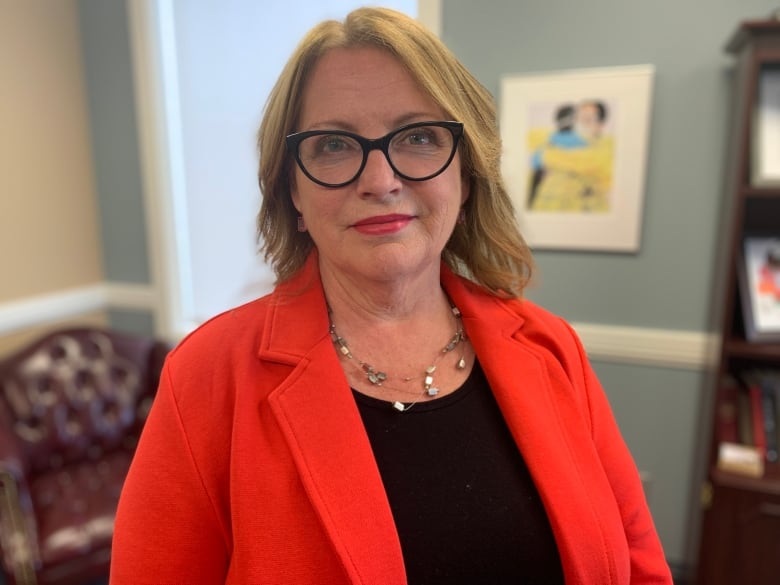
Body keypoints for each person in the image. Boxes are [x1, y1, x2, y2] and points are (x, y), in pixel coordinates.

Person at [110, 7, 673, 584]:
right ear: (293, 191)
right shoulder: (205, 379)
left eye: (420, 137)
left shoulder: (552, 349)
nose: (380, 181)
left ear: (467, 171)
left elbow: (637, 564)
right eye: (333, 145)